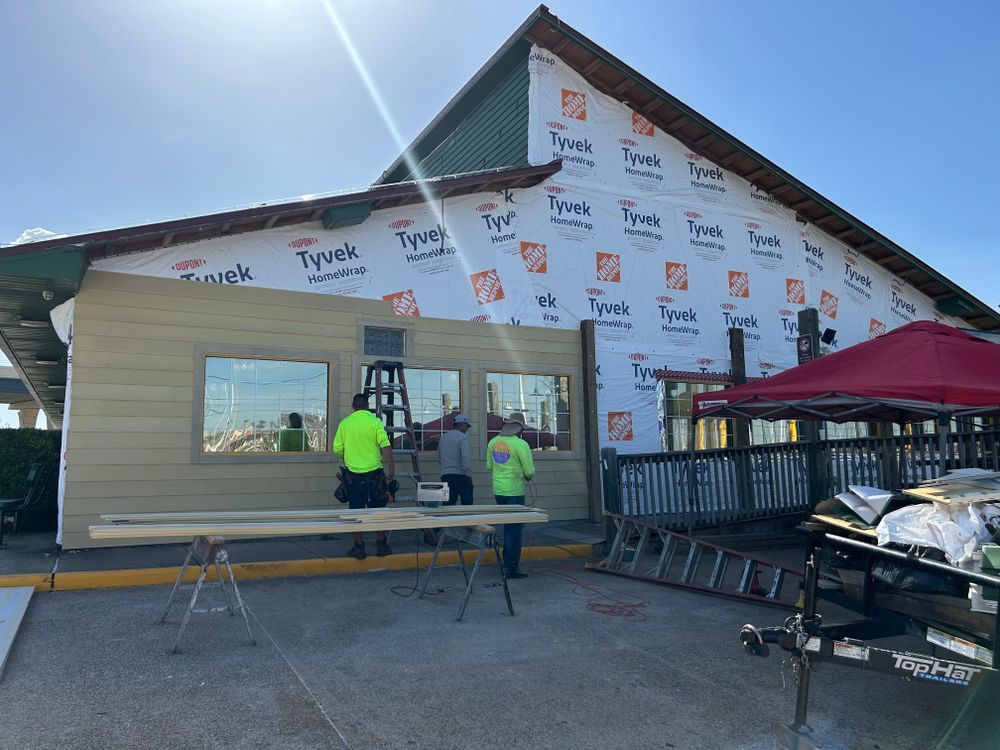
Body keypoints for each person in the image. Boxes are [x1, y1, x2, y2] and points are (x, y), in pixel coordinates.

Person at [332, 394, 396, 559]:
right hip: (374, 474)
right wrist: (391, 471)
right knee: (378, 511)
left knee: (356, 511)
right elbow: (385, 446)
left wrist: (347, 456)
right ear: (367, 405)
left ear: (352, 406)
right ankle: (381, 545)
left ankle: (359, 547)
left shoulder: (345, 424)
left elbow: (336, 448)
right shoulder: (375, 422)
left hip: (353, 476)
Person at [486, 412, 535, 579]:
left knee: (508, 526)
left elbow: (489, 466)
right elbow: (529, 471)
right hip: (514, 491)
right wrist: (525, 475)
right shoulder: (521, 445)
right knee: (514, 530)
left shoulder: (493, 442)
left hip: (498, 490)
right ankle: (511, 567)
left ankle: (506, 561)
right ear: (519, 429)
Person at [438, 413, 473, 506]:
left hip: (446, 475)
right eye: (467, 426)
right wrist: (468, 474)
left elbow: (439, 458)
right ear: (462, 424)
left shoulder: (443, 438)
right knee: (467, 504)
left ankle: (446, 520)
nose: (467, 429)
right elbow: (465, 457)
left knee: (448, 504)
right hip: (461, 475)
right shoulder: (463, 438)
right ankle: (467, 520)